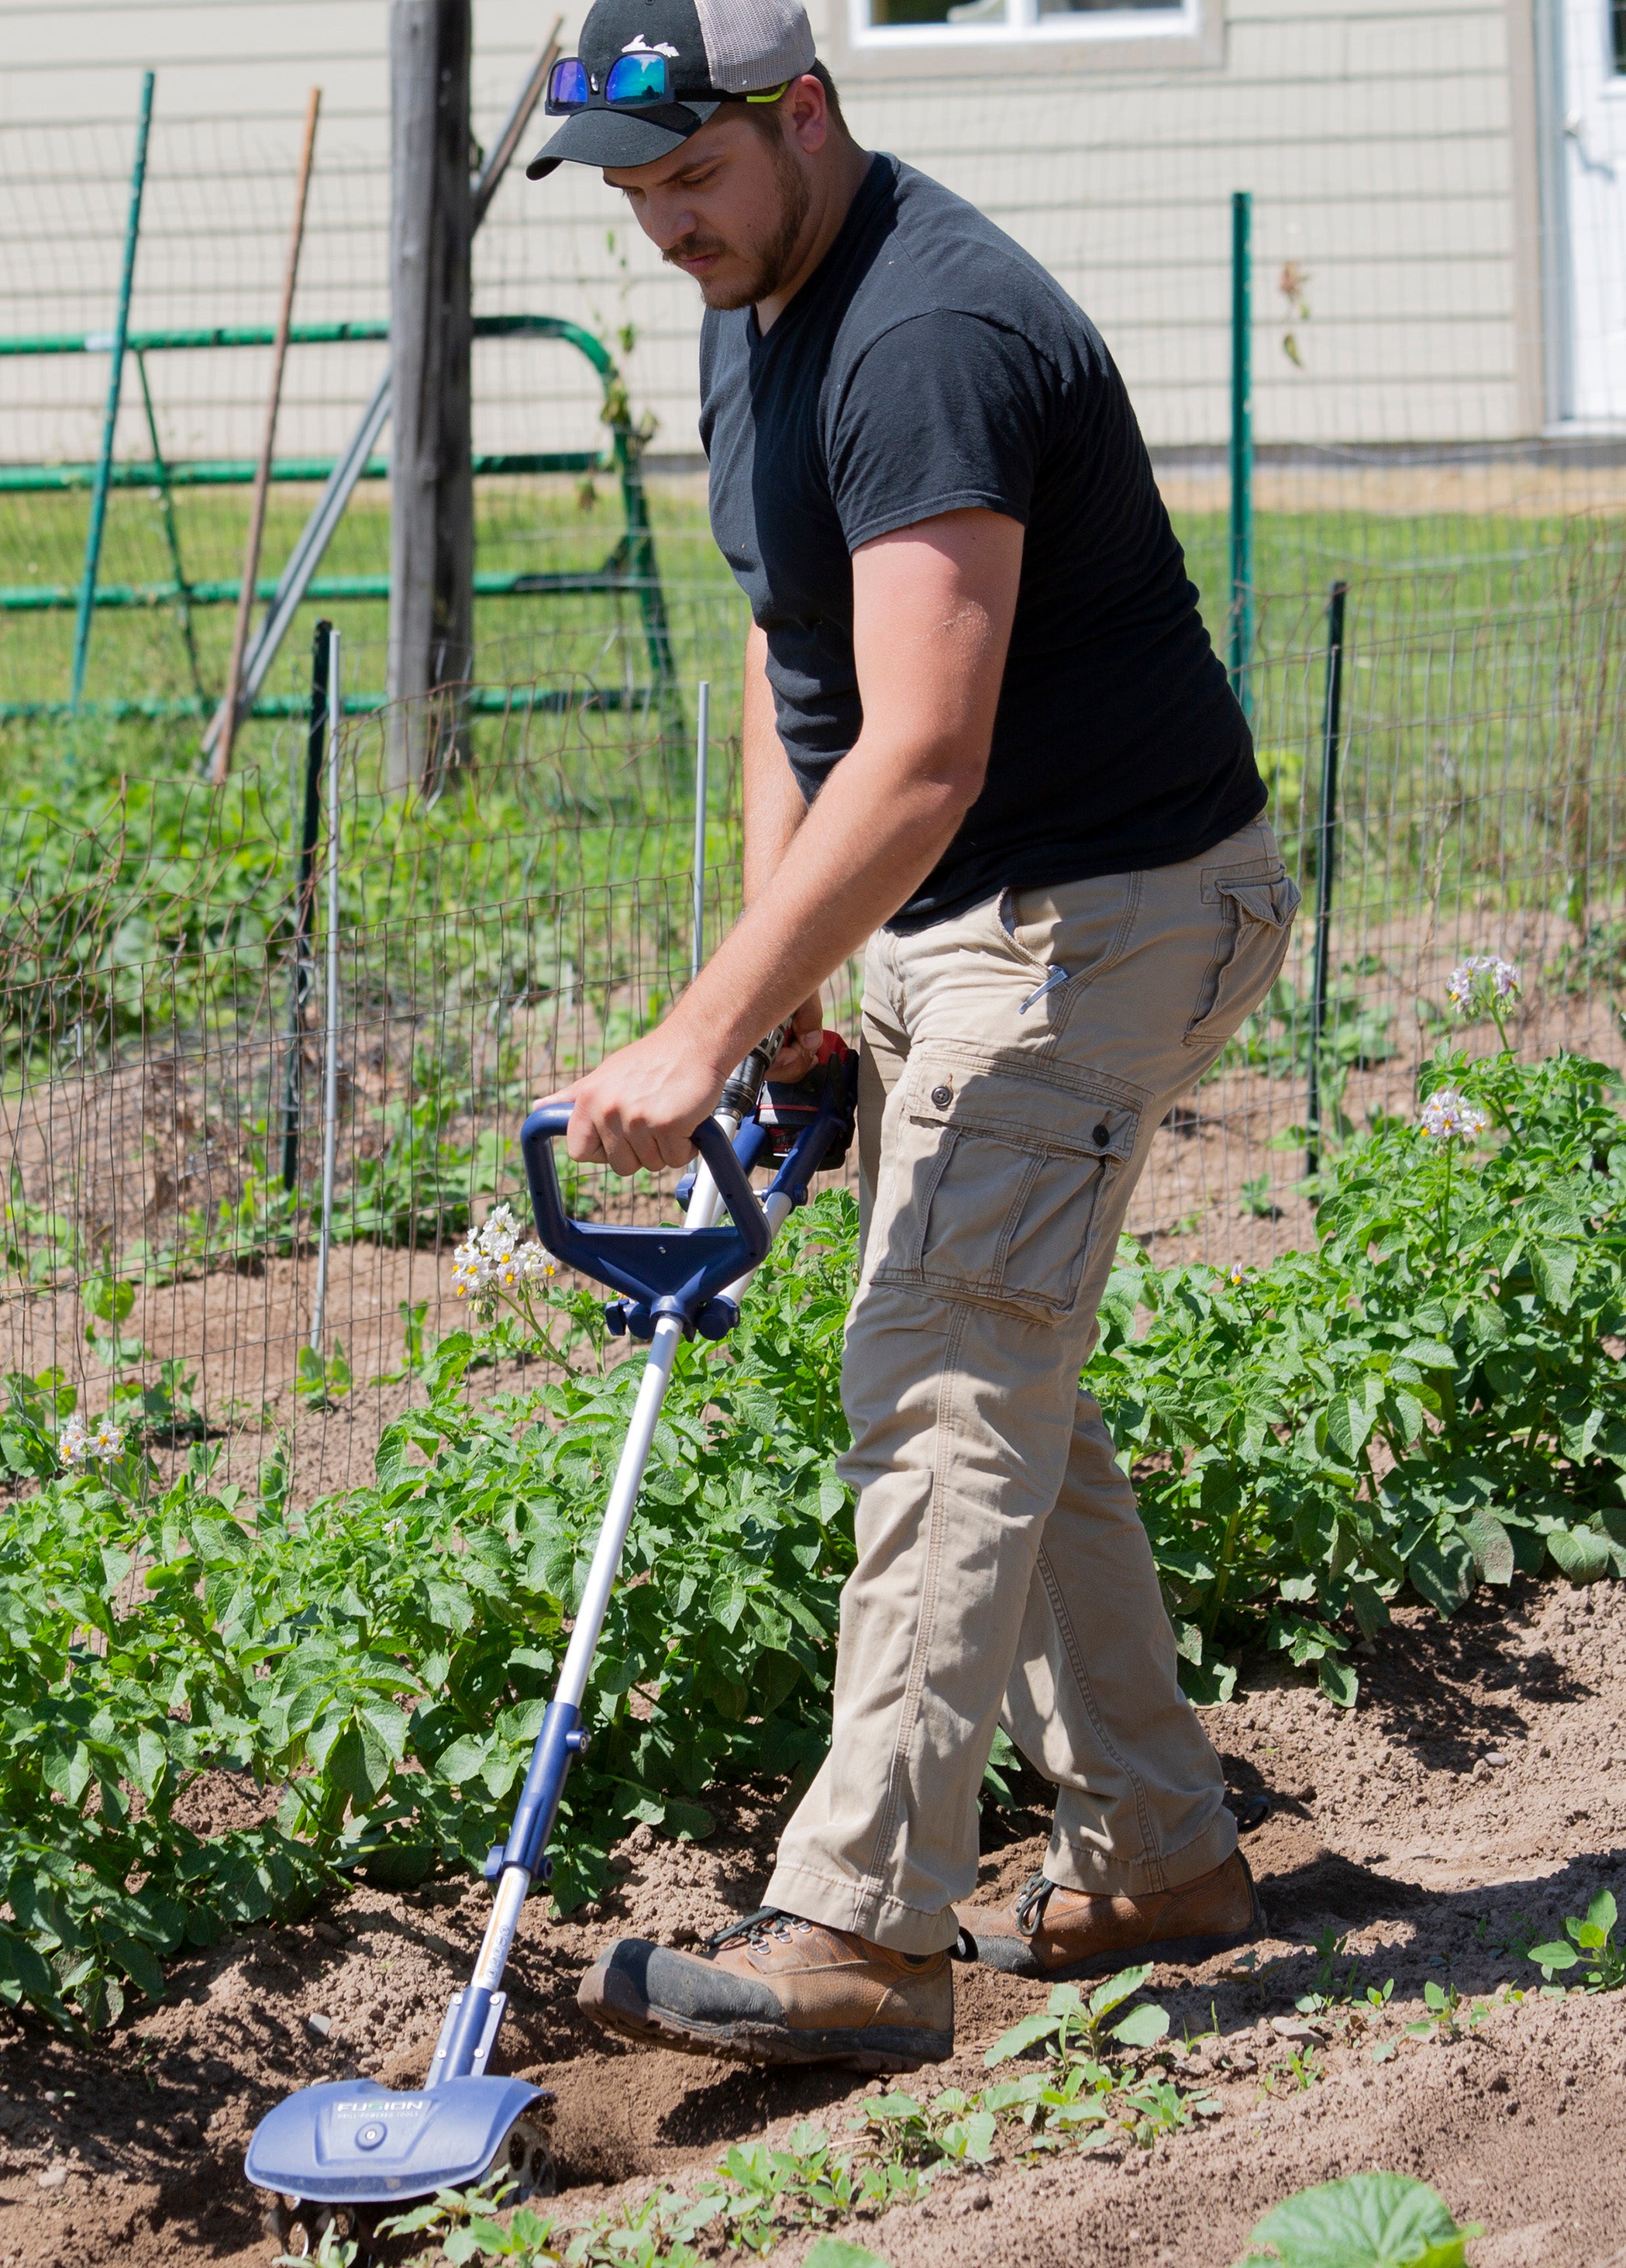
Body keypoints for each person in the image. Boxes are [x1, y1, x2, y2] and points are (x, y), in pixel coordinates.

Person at [526, 0, 1298, 2073]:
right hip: (966, 909)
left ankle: (860, 1934)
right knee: (998, 1341)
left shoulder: (927, 336)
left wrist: (696, 1033)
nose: (663, 225)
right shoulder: (753, 305)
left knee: (944, 1362)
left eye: (693, 175)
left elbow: (929, 753)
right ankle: (1160, 1851)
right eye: (629, 190)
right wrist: (774, 992)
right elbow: (804, 678)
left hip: (1112, 907)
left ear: (808, 114)